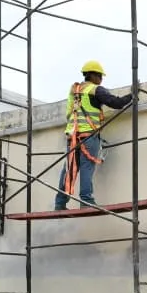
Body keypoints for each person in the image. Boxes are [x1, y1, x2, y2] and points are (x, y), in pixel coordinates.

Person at [53, 60, 134, 210]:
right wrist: (132, 95)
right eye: (100, 76)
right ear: (93, 75)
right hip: (88, 136)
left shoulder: (74, 91)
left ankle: (60, 203)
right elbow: (115, 102)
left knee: (69, 169)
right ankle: (86, 201)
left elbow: (68, 113)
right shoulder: (95, 89)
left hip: (72, 136)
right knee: (86, 167)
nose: (101, 80)